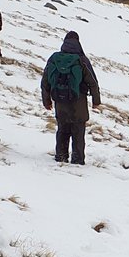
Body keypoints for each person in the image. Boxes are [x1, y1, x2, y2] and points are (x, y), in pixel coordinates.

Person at [41, 30, 101, 164]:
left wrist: (46, 100)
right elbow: (93, 82)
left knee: (62, 130)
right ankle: (77, 160)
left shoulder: (54, 59)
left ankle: (61, 156)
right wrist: (96, 101)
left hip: (60, 101)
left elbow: (45, 81)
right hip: (78, 101)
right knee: (78, 132)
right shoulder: (81, 60)